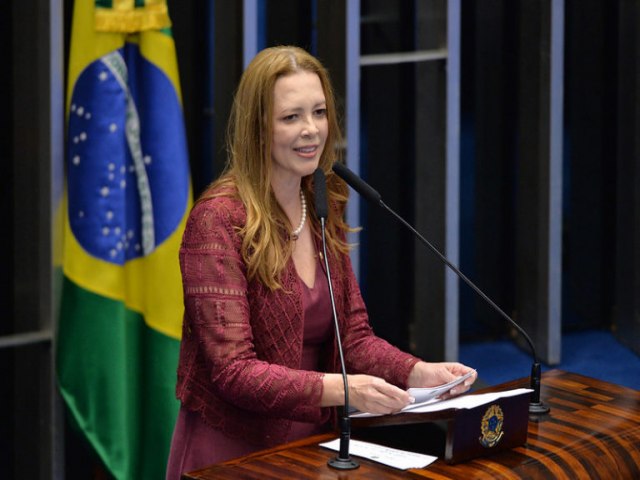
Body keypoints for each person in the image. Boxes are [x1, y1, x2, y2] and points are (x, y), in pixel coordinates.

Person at [165, 45, 477, 478]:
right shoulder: (218, 221)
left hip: (315, 443)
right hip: (234, 451)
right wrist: (345, 389)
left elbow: (353, 338)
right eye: (291, 117)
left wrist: (418, 371)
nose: (311, 130)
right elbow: (233, 372)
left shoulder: (322, 203)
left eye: (319, 112)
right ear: (258, 129)